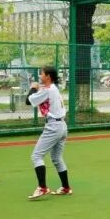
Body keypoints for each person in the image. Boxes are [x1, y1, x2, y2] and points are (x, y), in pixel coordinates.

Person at [26, 66, 71, 200]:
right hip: (62, 125)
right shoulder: (53, 88)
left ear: (48, 76)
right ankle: (66, 187)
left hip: (53, 126)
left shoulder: (48, 89)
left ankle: (42, 188)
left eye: (42, 74)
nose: (40, 76)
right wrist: (38, 88)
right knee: (57, 158)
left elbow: (28, 101)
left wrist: (33, 88)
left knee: (36, 156)